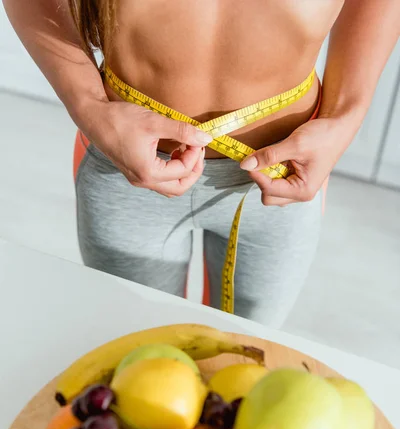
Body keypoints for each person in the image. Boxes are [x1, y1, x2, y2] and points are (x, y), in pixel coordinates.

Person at [4, 0, 399, 327]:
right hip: (124, 172)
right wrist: (88, 105)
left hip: (281, 178)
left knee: (242, 362)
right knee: (134, 357)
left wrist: (345, 118)